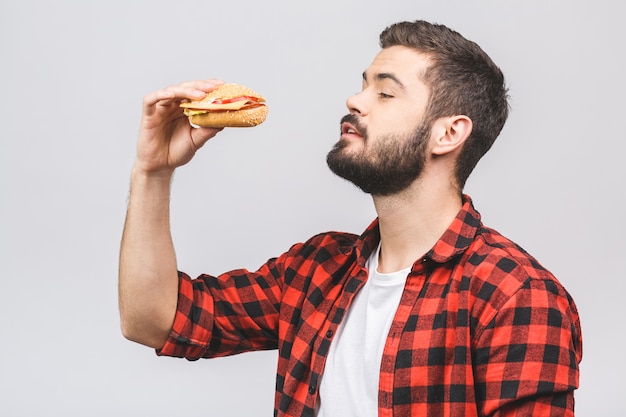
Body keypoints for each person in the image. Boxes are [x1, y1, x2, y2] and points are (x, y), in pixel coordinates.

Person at [119, 20, 582, 417]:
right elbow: (153, 320)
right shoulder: (317, 269)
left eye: (384, 92)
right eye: (363, 85)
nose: (355, 101)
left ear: (448, 134)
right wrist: (153, 171)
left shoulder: (517, 298)